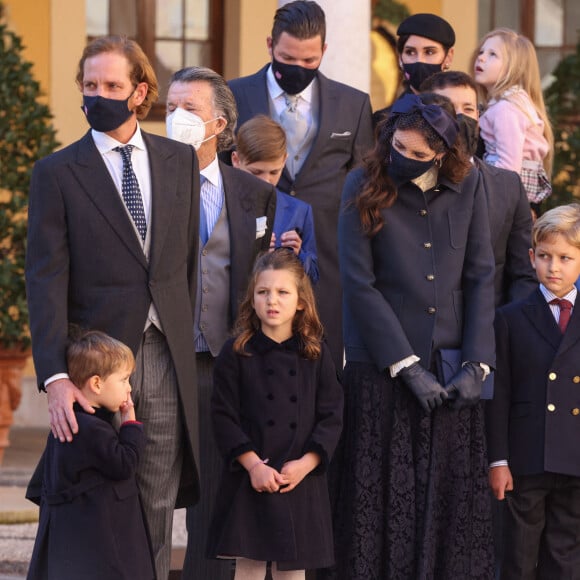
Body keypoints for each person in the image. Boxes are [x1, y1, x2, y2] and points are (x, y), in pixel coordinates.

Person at [25, 35, 200, 580]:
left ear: (140, 92)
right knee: (95, 511)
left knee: (154, 500)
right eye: (90, 85)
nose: (98, 95)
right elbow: (45, 279)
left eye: (112, 86)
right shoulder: (56, 173)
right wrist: (56, 375)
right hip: (93, 371)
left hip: (167, 356)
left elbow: (186, 265)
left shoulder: (179, 161)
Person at [327, 94, 496, 579]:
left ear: (442, 154)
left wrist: (477, 364)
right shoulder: (361, 181)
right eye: (398, 146)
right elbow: (358, 283)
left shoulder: (471, 184)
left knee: (449, 516)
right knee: (379, 514)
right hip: (382, 374)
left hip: (451, 375)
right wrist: (404, 365)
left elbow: (482, 274)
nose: (405, 158)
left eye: (419, 155)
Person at [165, 65, 277, 580]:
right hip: (159, 359)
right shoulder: (147, 182)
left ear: (220, 123)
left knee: (214, 492)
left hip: (223, 362)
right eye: (169, 108)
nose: (176, 118)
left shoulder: (254, 194)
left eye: (189, 109)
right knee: (152, 490)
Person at [228, 0, 374, 372]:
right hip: (248, 269)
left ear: (324, 51)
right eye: (288, 59)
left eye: (309, 62)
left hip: (324, 264)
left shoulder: (353, 105)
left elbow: (364, 189)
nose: (298, 69)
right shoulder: (234, 96)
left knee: (319, 374)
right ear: (270, 45)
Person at [206, 249, 343, 579]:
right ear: (252, 298)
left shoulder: (316, 353)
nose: (272, 300)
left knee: (292, 572)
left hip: (299, 479)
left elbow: (332, 415)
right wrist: (253, 465)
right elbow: (223, 416)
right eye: (263, 292)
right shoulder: (236, 352)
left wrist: (305, 465)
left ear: (300, 301)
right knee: (249, 567)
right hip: (250, 478)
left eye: (283, 292)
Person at [486, 203, 580, 579]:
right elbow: (500, 394)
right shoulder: (510, 317)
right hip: (526, 459)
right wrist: (498, 460)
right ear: (531, 257)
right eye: (544, 256)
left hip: (575, 458)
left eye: (564, 258)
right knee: (517, 557)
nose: (553, 267)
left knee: (566, 557)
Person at [27, 329, 155, 580]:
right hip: (99, 544)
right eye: (124, 379)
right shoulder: (92, 429)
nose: (129, 388)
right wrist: (130, 423)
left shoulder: (69, 423)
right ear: (96, 383)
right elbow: (124, 463)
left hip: (74, 540)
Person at [420, 71, 537, 306]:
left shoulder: (508, 185)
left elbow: (523, 272)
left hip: (493, 328)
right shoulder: (409, 183)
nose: (461, 117)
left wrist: (507, 329)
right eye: (449, 108)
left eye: (469, 108)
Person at [473, 28, 553, 211]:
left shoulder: (506, 109)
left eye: (493, 54)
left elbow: (509, 166)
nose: (482, 58)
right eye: (481, 52)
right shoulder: (507, 104)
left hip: (505, 192)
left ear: (514, 68)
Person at [232, 114, 319, 283]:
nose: (266, 181)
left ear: (284, 160)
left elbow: (314, 276)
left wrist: (298, 254)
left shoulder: (299, 211)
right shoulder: (221, 205)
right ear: (236, 160)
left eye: (274, 172)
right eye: (256, 172)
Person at [373, 13, 456, 127]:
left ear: (449, 56)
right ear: (400, 58)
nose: (419, 60)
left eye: (429, 52)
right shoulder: (382, 120)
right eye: (410, 52)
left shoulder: (462, 112)